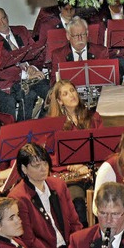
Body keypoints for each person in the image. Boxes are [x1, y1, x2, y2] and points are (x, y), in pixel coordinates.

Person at [8, 143, 82, 248]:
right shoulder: (18, 197)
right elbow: (29, 242)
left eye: (45, 163)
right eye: (37, 165)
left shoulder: (59, 185)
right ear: (24, 168)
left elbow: (74, 222)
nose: (43, 169)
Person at [47, 79, 102, 225]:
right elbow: (50, 156)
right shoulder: (53, 125)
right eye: (65, 94)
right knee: (77, 204)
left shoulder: (93, 118)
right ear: (59, 101)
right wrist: (74, 166)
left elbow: (103, 148)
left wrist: (89, 167)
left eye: (72, 90)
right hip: (72, 176)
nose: (72, 95)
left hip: (93, 172)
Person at [0, 7, 49, 120]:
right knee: (28, 95)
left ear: (7, 17)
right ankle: (22, 130)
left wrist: (33, 67)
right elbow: (2, 70)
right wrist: (26, 73)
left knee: (53, 91)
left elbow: (36, 51)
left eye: (3, 18)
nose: (1, 22)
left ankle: (42, 124)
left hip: (33, 77)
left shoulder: (22, 30)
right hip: (12, 82)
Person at [49, 16, 110, 84]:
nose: (80, 38)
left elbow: (107, 80)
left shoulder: (101, 52)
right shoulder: (58, 55)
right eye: (76, 35)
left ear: (87, 34)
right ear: (68, 36)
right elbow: (54, 83)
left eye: (83, 34)